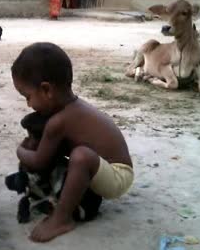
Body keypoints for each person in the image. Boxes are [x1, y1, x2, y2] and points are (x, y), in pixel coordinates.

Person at [11, 42, 134, 242]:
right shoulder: (71, 108)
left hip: (118, 176)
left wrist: (20, 150)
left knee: (81, 157)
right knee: (73, 156)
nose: (28, 104)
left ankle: (61, 218)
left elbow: (39, 161)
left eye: (27, 96)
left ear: (46, 90)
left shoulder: (59, 122)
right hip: (104, 168)